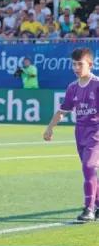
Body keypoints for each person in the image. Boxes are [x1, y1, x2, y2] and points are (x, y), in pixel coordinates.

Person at [44, 47, 99, 222]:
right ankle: (97, 203)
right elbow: (62, 110)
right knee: (88, 169)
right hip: (80, 132)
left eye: (80, 64)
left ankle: (88, 209)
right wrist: (50, 127)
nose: (77, 67)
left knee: (89, 167)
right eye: (74, 64)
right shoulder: (72, 87)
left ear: (90, 64)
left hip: (96, 130)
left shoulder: (97, 84)